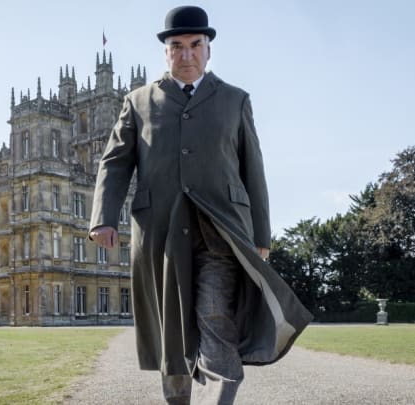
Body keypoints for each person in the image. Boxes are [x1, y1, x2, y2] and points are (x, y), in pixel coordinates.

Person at [89, 6, 313, 405]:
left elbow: (253, 170)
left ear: (208, 50)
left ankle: (218, 398)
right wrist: (103, 217)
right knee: (171, 330)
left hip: (221, 229)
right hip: (161, 232)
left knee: (214, 316)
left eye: (196, 45)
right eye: (177, 46)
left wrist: (262, 234)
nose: (187, 54)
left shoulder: (235, 100)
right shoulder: (138, 102)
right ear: (166, 52)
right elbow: (115, 162)